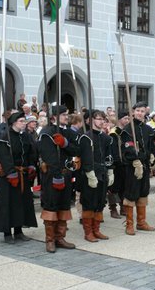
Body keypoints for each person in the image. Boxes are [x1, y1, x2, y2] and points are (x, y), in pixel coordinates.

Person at [0, 112, 38, 243]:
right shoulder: (5, 138)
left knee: (21, 204)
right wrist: (11, 173)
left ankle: (18, 231)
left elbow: (30, 153)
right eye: (21, 121)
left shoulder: (26, 137)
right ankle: (7, 233)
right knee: (8, 204)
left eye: (24, 121)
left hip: (22, 175)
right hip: (9, 177)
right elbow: (4, 156)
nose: (24, 123)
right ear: (13, 123)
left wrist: (31, 166)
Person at [38, 105, 80, 252]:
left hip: (67, 173)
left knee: (64, 205)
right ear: (53, 117)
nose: (66, 117)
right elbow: (49, 157)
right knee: (51, 205)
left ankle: (60, 237)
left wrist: (65, 143)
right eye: (62, 114)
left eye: (66, 114)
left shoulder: (68, 132)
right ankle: (50, 240)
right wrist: (57, 176)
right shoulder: (46, 133)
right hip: (52, 175)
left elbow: (76, 149)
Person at [78, 110, 114, 242]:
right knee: (89, 203)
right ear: (92, 120)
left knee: (100, 202)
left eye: (103, 119)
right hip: (90, 174)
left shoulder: (106, 138)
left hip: (102, 172)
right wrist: (90, 173)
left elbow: (109, 155)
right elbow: (86, 157)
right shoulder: (85, 137)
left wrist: (110, 170)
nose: (101, 121)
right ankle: (88, 232)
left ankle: (96, 230)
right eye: (98, 119)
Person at [121, 102, 155, 235]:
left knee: (143, 192)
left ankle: (141, 222)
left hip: (145, 164)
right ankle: (129, 224)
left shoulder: (148, 129)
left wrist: (153, 155)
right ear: (133, 112)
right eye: (138, 111)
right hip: (133, 166)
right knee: (131, 193)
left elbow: (151, 145)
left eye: (142, 111)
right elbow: (127, 147)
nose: (140, 113)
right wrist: (135, 161)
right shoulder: (128, 129)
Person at [107, 110, 130, 219]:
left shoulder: (126, 131)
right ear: (120, 119)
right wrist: (116, 161)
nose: (127, 120)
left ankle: (123, 206)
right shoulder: (114, 133)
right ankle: (113, 208)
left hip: (125, 163)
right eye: (125, 118)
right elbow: (113, 150)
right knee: (114, 187)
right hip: (117, 164)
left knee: (124, 186)